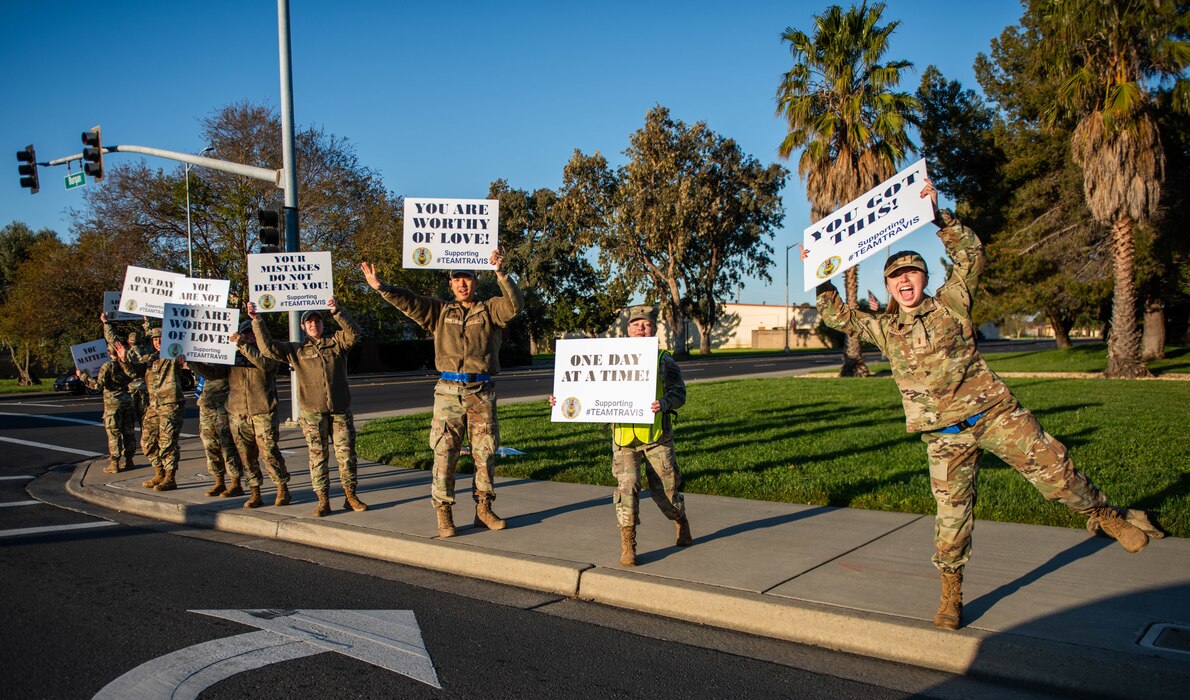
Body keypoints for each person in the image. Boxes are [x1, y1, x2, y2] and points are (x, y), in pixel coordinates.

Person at [812, 179, 1155, 631]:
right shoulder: (883, 329)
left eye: (912, 273)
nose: (905, 282)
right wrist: (820, 269)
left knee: (1056, 471)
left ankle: (1103, 515)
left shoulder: (952, 303)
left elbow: (970, 255)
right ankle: (951, 594)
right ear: (889, 285)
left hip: (996, 415)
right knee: (952, 521)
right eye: (897, 277)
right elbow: (837, 314)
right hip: (945, 436)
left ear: (923, 277)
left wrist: (940, 217)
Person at [361, 252, 523, 538]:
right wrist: (381, 288)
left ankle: (483, 509)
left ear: (476, 281)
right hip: (448, 393)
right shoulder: (440, 312)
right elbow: (410, 302)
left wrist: (501, 274)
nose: (462, 284)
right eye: (457, 279)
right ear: (450, 284)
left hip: (481, 392)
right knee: (444, 452)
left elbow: (514, 305)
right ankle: (444, 513)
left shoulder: (489, 311)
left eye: (467, 278)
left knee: (485, 452)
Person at [550, 306, 692, 566]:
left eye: (646, 324)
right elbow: (586, 388)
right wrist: (562, 401)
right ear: (628, 330)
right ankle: (629, 544)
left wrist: (665, 403)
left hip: (657, 438)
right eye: (636, 324)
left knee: (667, 494)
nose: (641, 328)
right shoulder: (610, 357)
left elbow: (680, 394)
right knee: (627, 488)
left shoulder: (664, 360)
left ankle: (680, 520)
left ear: (654, 330)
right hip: (624, 439)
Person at [250, 297, 365, 517]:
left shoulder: (337, 343)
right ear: (303, 327)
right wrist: (257, 321)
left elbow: (354, 334)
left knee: (346, 456)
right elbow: (267, 348)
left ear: (323, 323)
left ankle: (350, 496)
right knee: (317, 457)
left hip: (340, 412)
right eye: (309, 322)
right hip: (313, 414)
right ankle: (323, 500)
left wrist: (336, 311)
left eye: (317, 321)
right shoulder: (296, 350)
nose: (314, 324)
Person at [189, 320, 292, 509]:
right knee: (246, 456)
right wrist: (191, 361)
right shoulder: (232, 355)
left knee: (269, 453)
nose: (248, 336)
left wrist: (242, 345)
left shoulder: (268, 351)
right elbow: (214, 373)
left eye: (252, 333)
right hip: (238, 412)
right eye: (245, 333)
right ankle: (255, 492)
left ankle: (282, 487)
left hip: (262, 411)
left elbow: (264, 364)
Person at [120, 326, 187, 492]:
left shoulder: (173, 356)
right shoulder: (150, 359)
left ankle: (170, 477)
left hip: (170, 405)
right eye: (155, 340)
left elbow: (183, 362)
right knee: (147, 442)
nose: (158, 342)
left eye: (161, 339)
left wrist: (184, 360)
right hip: (153, 406)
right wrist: (123, 359)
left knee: (167, 443)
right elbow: (134, 373)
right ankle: (160, 472)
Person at [77, 340, 135, 474]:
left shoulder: (108, 366)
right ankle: (129, 460)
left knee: (114, 433)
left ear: (109, 353)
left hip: (113, 402)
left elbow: (98, 385)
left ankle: (114, 463)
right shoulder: (126, 365)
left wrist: (83, 377)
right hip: (127, 399)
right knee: (128, 432)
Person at [192, 359, 245, 499]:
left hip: (223, 404)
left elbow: (212, 372)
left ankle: (235, 483)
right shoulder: (205, 356)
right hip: (207, 404)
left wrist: (192, 362)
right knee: (210, 444)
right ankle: (219, 481)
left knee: (227, 445)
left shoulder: (225, 355)